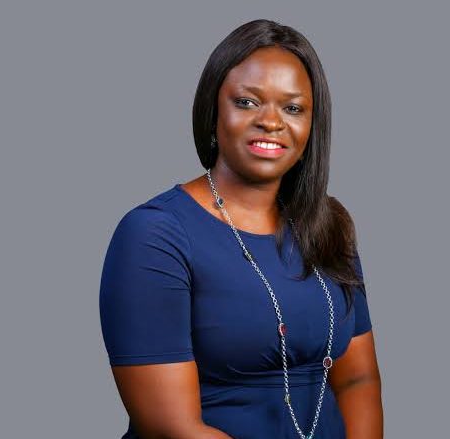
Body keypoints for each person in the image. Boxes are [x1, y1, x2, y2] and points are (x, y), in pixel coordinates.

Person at [99, 19, 383, 439]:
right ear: (213, 110)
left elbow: (358, 379)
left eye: (293, 108)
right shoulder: (154, 235)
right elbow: (171, 427)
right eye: (248, 102)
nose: (271, 121)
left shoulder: (330, 224)